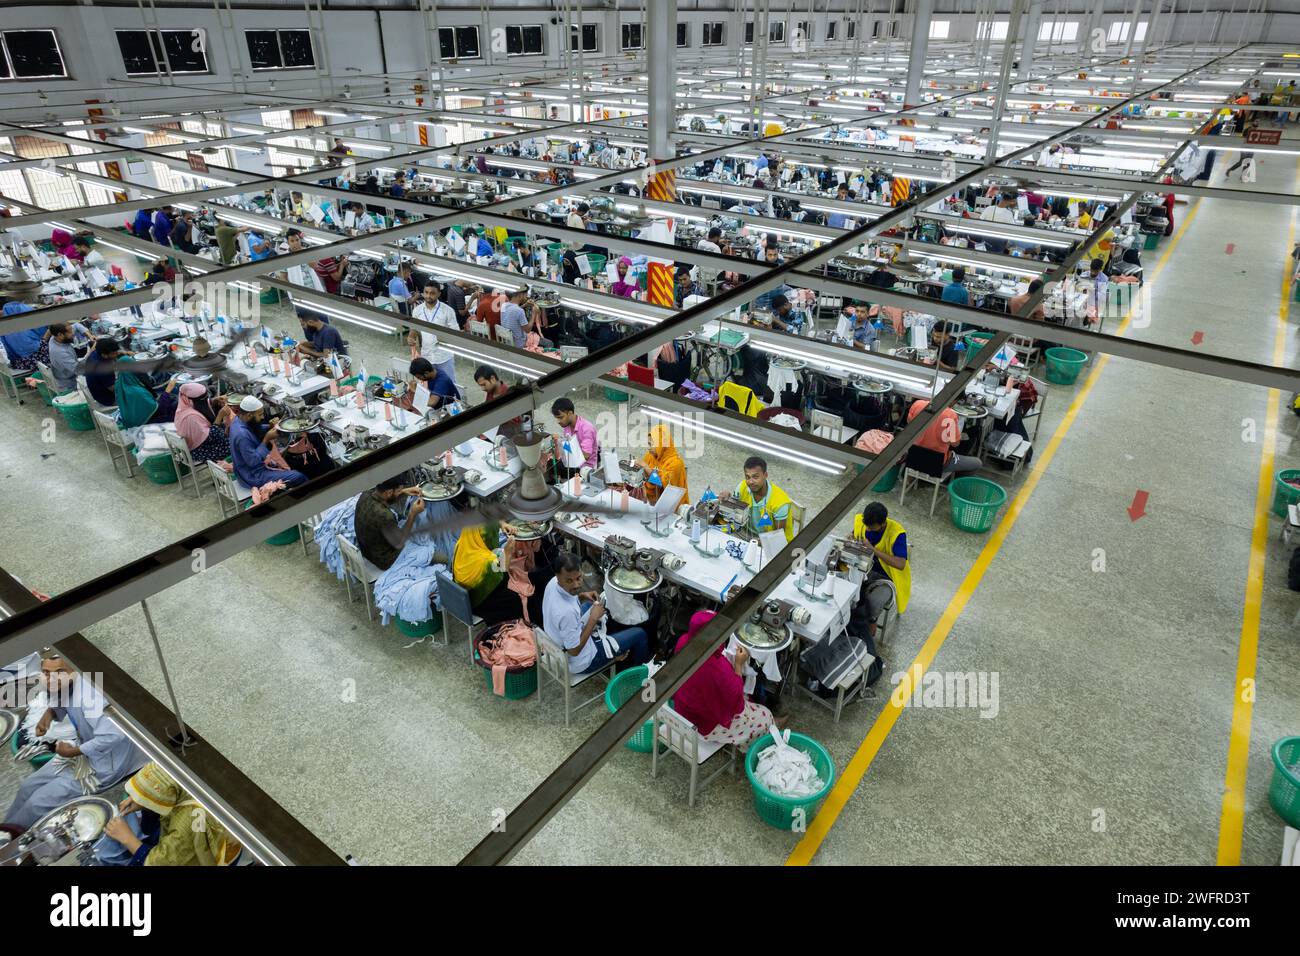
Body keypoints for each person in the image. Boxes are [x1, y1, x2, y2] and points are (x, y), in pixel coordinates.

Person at [3, 655, 145, 832]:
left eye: (58, 672)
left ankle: (14, 842)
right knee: (27, 787)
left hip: (105, 763)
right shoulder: (63, 683)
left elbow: (113, 736)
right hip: (80, 750)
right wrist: (49, 715)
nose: (50, 678)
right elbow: (61, 699)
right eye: (46, 672)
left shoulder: (91, 697)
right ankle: (5, 833)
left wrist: (73, 752)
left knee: (36, 804)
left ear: (72, 670)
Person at [95, 761, 241, 866]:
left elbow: (159, 862)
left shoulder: (187, 822)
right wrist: (142, 799)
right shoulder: (184, 785)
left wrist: (127, 838)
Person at [671, 609, 775, 747]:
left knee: (750, 703)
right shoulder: (716, 668)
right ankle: (761, 739)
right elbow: (737, 704)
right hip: (702, 726)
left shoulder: (683, 642)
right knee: (766, 716)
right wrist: (738, 664)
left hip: (683, 711)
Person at [541, 552, 651, 675]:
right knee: (640, 634)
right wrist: (593, 619)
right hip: (580, 661)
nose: (576, 584)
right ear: (558, 577)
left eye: (579, 578)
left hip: (557, 640)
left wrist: (582, 596)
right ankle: (639, 676)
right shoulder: (566, 613)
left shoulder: (552, 583)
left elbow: (569, 600)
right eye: (569, 581)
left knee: (592, 605)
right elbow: (574, 651)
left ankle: (614, 647)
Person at [848, 501, 911, 640]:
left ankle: (869, 623)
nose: (869, 530)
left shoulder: (897, 533)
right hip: (861, 569)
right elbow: (853, 535)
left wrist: (874, 550)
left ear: (883, 523)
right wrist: (851, 540)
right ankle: (850, 623)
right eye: (867, 527)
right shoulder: (861, 522)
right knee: (845, 591)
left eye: (873, 528)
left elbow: (900, 564)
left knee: (874, 601)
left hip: (885, 577)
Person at [354, 474, 433, 571]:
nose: (401, 492)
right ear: (389, 492)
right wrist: (412, 514)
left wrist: (404, 492)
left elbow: (385, 499)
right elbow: (400, 541)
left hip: (366, 550)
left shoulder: (365, 494)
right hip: (383, 560)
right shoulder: (385, 516)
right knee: (434, 555)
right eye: (399, 490)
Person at [228, 395, 308, 489]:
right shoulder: (242, 435)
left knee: (290, 461)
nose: (262, 417)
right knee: (297, 476)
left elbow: (253, 428)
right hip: (253, 475)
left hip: (245, 470)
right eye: (260, 414)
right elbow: (254, 462)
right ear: (249, 415)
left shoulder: (239, 420)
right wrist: (266, 439)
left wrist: (269, 426)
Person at [907, 397, 982, 475]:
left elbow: (909, 423)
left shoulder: (918, 404)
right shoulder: (950, 415)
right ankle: (953, 482)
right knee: (977, 463)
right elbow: (955, 444)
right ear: (954, 400)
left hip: (913, 456)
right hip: (935, 462)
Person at [734, 455, 795, 542]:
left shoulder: (780, 502)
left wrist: (756, 543)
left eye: (755, 477)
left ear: (765, 475)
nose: (750, 482)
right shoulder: (742, 487)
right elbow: (734, 510)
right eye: (747, 477)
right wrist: (728, 499)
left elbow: (776, 537)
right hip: (746, 534)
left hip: (770, 541)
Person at [172, 382, 231, 464]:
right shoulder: (191, 417)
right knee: (236, 442)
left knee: (231, 433)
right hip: (201, 451)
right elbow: (211, 437)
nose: (205, 401)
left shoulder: (183, 408)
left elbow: (200, 405)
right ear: (188, 399)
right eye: (203, 400)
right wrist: (220, 416)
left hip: (197, 446)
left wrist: (213, 401)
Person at [640, 423, 689, 504]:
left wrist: (645, 467)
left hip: (671, 509)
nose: (648, 448)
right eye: (648, 444)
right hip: (651, 502)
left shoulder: (676, 463)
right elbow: (642, 479)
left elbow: (662, 485)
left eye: (651, 444)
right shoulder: (650, 456)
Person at [408, 282, 458, 358]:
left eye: (432, 293)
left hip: (444, 356)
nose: (428, 296)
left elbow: (455, 331)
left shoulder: (448, 310)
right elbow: (414, 328)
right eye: (426, 292)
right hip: (426, 354)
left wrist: (445, 338)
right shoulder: (417, 310)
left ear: (439, 294)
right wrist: (411, 336)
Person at [552, 396, 600, 474]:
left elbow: (586, 455)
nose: (558, 421)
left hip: (585, 468)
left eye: (560, 417)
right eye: (556, 418)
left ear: (570, 413)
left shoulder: (587, 428)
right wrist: (559, 443)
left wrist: (567, 456)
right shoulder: (567, 426)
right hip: (573, 462)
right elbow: (569, 448)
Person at [46, 323, 90, 393]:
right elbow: (79, 370)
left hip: (71, 372)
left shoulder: (54, 338)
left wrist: (89, 336)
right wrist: (91, 353)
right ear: (60, 335)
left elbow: (76, 325)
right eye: (70, 332)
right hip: (70, 385)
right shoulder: (59, 352)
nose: (73, 333)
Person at [83, 336, 123, 406]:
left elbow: (111, 355)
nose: (116, 354)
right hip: (108, 399)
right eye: (114, 353)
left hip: (98, 390)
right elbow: (114, 389)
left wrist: (124, 352)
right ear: (104, 355)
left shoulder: (96, 353)